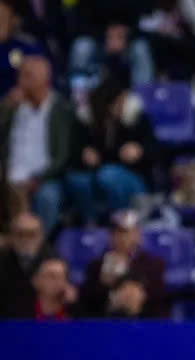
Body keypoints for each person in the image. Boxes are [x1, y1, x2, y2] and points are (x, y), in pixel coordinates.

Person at [66, 75, 158, 225]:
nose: (122, 105)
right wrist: (83, 154)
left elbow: (156, 151)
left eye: (123, 100)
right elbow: (74, 151)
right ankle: (90, 223)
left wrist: (140, 151)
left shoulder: (136, 118)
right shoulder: (87, 120)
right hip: (96, 174)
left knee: (108, 176)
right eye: (118, 102)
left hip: (133, 177)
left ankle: (121, 223)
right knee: (77, 180)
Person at [0, 56, 73, 234]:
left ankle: (37, 243)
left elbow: (63, 156)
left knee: (48, 196)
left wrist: (37, 179)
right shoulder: (12, 107)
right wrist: (6, 108)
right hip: (9, 176)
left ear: (45, 80)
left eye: (28, 76)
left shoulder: (61, 109)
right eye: (20, 76)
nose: (21, 82)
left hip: (44, 179)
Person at [69, 0, 155, 85]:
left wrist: (125, 35)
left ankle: (141, 95)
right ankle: (79, 92)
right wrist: (106, 35)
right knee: (81, 48)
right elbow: (81, 22)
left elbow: (149, 22)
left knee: (141, 50)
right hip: (98, 39)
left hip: (130, 41)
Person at [80, 209, 166, 317]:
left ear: (137, 235)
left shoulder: (154, 264)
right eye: (115, 232)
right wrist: (104, 284)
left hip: (144, 320)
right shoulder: (96, 266)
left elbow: (158, 298)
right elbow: (86, 301)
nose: (121, 238)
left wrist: (134, 291)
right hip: (106, 321)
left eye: (126, 233)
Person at [0, 213, 56, 318]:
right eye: (20, 234)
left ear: (41, 236)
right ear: (11, 237)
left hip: (42, 321)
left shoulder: (53, 260)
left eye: (31, 234)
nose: (25, 239)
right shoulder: (2, 259)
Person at [0, 0, 43, 99]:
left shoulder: (25, 48)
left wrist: (25, 92)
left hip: (18, 104)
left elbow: (42, 79)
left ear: (12, 20)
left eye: (2, 19)